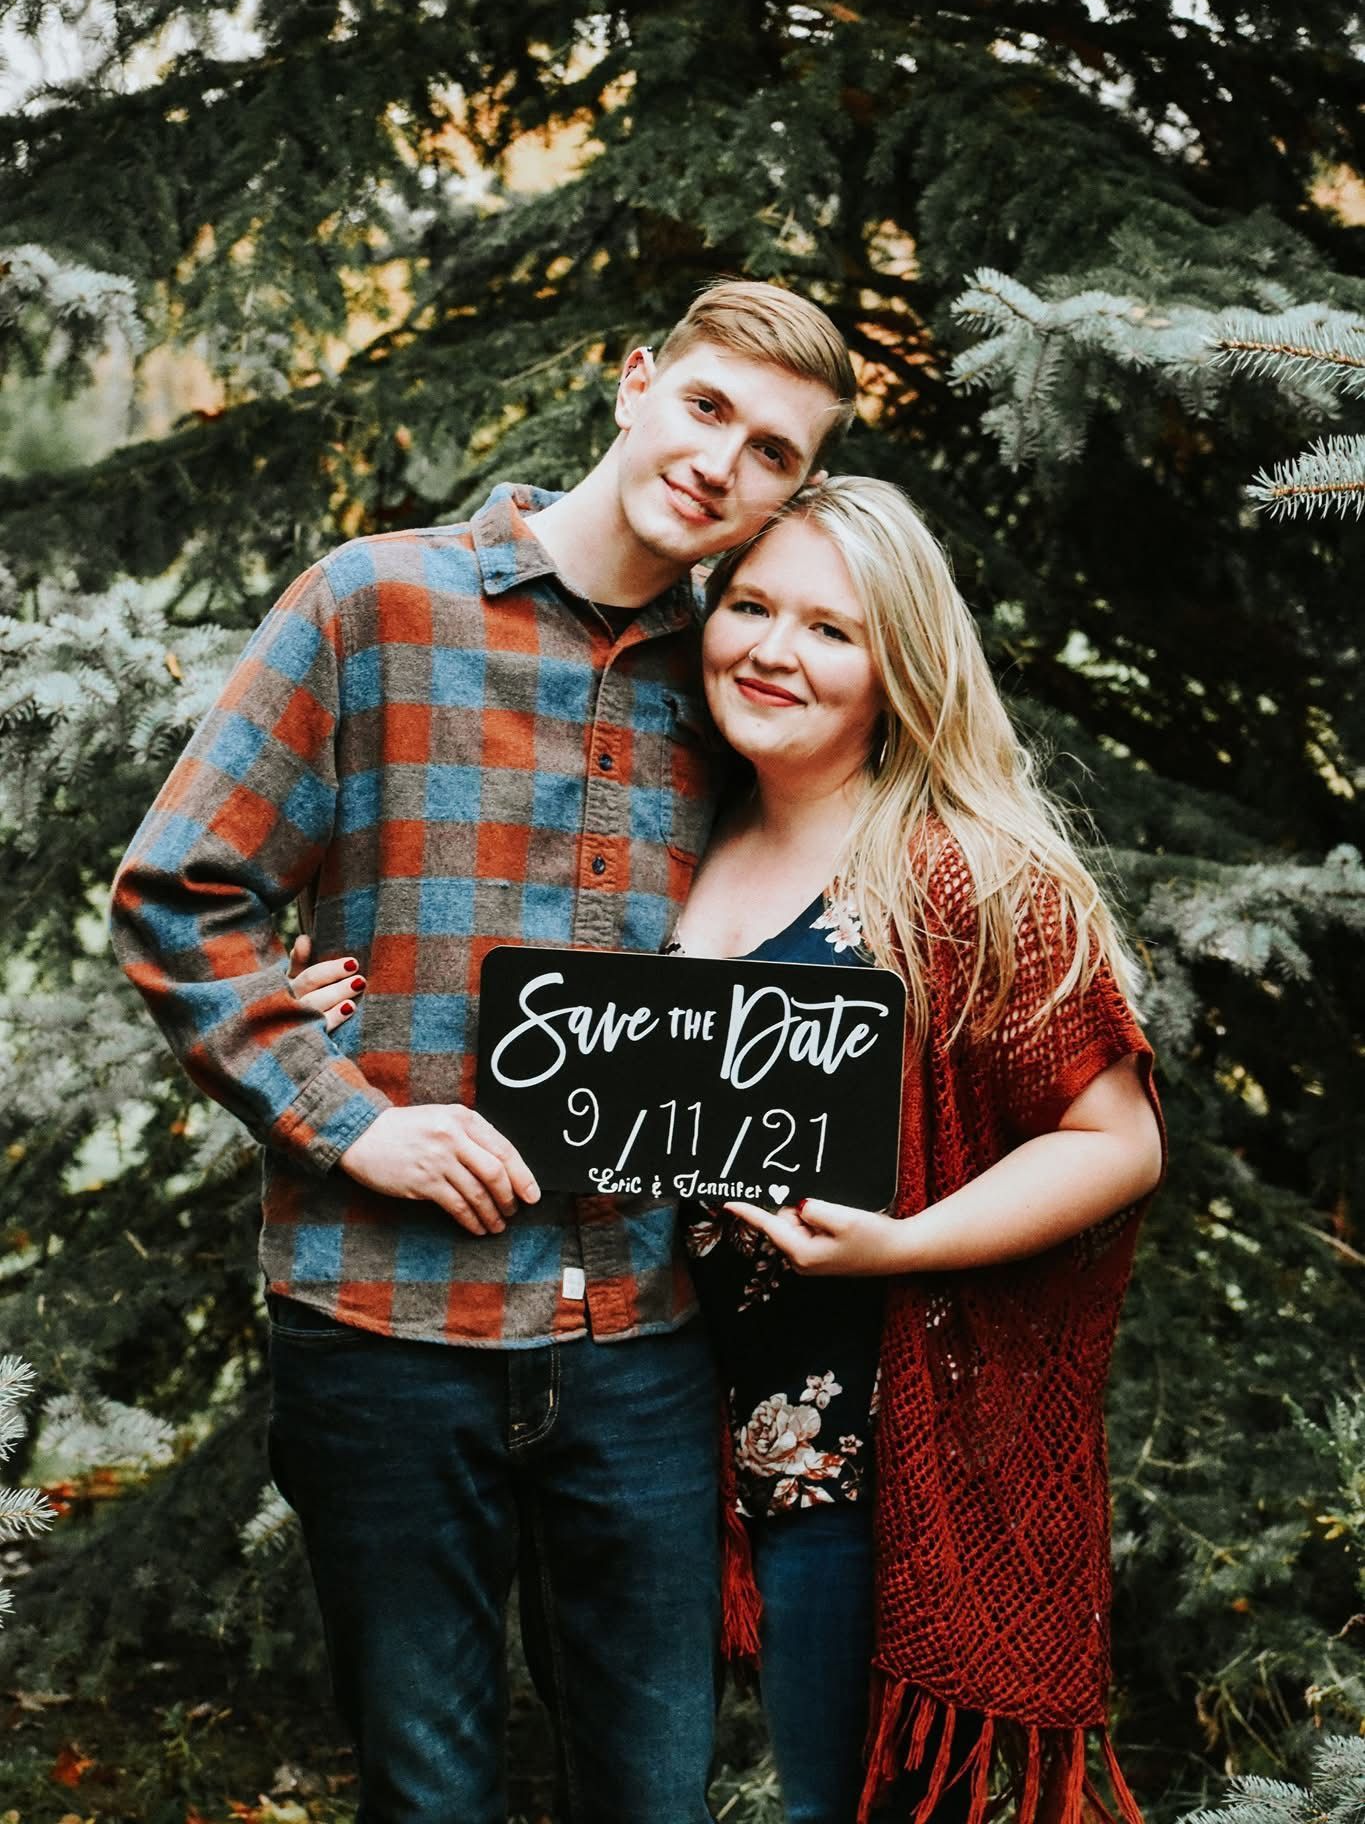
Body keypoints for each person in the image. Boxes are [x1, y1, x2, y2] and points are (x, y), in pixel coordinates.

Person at [294, 475, 1164, 1824]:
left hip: (852, 1461)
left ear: (901, 666)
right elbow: (504, 987)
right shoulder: (677, 823)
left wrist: (903, 1242)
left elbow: (1115, 1142)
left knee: (836, 1805)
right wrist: (320, 1000)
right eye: (749, 605)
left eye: (830, 628)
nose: (771, 648)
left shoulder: (962, 875)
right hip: (654, 1429)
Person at [109, 279, 857, 1824]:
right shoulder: (374, 603)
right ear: (636, 381)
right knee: (427, 1791)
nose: (723, 464)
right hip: (381, 1321)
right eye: (708, 409)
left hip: (642, 1335)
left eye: (774, 453)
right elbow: (182, 890)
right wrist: (341, 1112)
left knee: (652, 1793)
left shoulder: (739, 683)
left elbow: (819, 914)